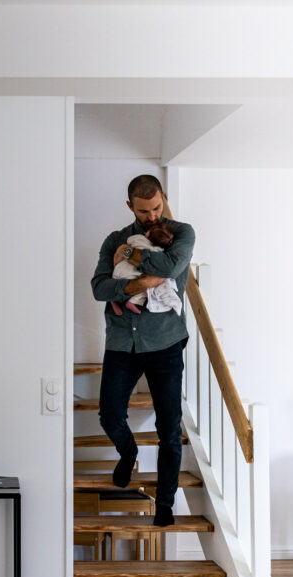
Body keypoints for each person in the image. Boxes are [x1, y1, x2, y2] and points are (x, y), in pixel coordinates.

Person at [90, 175, 195, 527]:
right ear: (130, 206)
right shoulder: (114, 239)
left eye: (156, 208)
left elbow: (169, 268)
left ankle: (164, 503)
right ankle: (128, 451)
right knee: (109, 415)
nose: (151, 216)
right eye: (143, 210)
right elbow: (99, 287)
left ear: (163, 198)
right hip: (122, 341)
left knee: (169, 428)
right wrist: (140, 283)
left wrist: (132, 258)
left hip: (165, 341)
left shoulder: (182, 233)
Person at [109, 223, 182, 316]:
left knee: (116, 282)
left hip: (118, 270)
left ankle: (113, 300)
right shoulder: (158, 251)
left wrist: (130, 251)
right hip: (132, 275)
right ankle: (132, 302)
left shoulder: (136, 238)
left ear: (148, 233)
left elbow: (128, 242)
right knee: (148, 286)